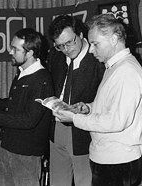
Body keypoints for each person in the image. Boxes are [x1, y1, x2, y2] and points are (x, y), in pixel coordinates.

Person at [54, 13, 142, 186]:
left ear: (114, 39)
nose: (91, 49)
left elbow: (116, 121)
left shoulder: (126, 71)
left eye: (95, 44)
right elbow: (109, 107)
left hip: (118, 162)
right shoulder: (114, 67)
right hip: (108, 159)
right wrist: (88, 108)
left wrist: (75, 118)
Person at [0, 28, 54, 186]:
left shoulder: (41, 79)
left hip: (26, 154)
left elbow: (29, 119)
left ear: (30, 53)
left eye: (15, 49)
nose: (10, 51)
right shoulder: (23, 72)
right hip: (9, 147)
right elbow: (16, 102)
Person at [47, 15, 105, 186]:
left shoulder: (98, 60)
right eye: (60, 45)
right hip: (56, 130)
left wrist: (85, 109)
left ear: (80, 35)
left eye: (69, 43)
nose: (66, 49)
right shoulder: (55, 55)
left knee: (85, 182)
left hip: (84, 133)